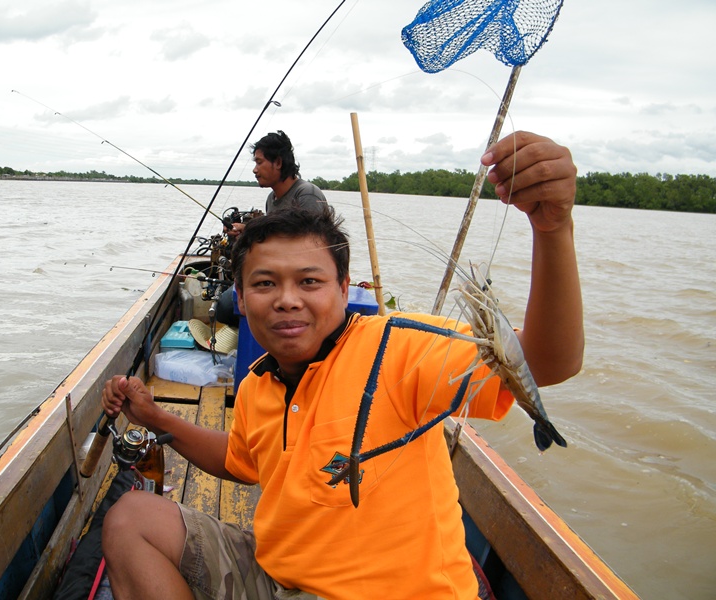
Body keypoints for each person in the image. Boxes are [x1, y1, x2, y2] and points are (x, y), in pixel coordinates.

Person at [100, 130, 584, 599]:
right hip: (278, 575)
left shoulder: (399, 348)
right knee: (130, 520)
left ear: (344, 287)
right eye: (265, 284)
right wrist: (154, 417)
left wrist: (553, 227)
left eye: (310, 281)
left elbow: (545, 363)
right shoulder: (258, 382)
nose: (288, 300)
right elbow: (241, 462)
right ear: (240, 300)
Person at [227, 130, 328, 238]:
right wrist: (246, 230)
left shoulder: (307, 194)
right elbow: (276, 235)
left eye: (259, 162)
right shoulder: (271, 198)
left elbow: (309, 241)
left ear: (278, 163)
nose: (255, 170)